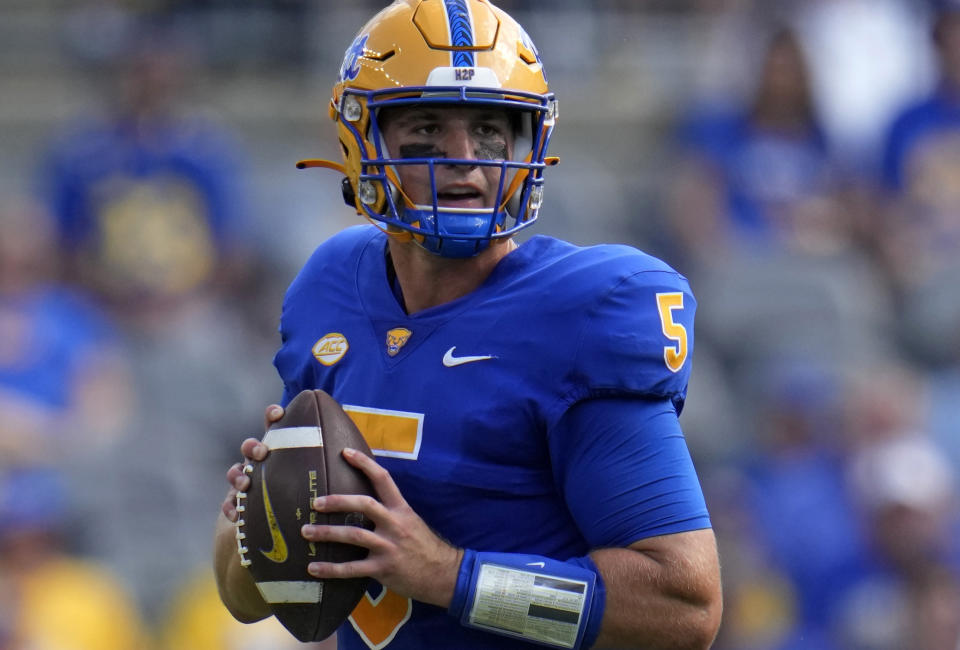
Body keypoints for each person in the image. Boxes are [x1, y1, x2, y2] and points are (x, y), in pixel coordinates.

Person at [214, 1, 722, 649]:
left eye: (490, 129)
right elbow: (241, 592)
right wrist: (260, 521)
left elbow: (684, 609)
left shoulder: (578, 313)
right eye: (427, 126)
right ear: (361, 138)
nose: (464, 158)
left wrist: (452, 576)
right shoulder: (330, 285)